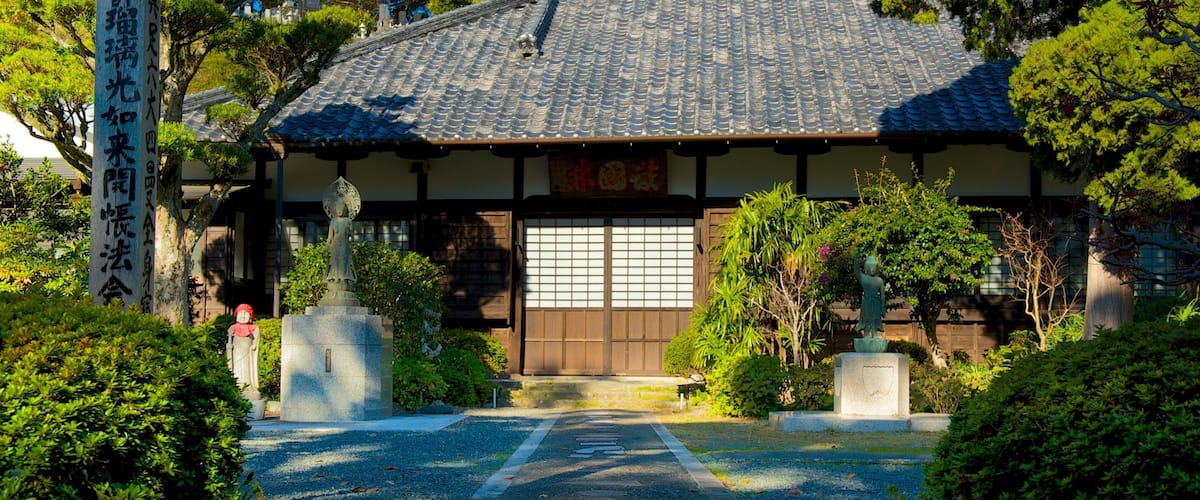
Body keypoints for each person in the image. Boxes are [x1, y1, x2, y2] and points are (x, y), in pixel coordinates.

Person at [226, 304, 261, 398]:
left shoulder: (254, 328)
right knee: (236, 367)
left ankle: (248, 385)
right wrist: (229, 346)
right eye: (240, 313)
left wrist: (254, 345)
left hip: (248, 353)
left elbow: (256, 340)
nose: (243, 316)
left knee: (247, 367)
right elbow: (229, 339)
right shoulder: (232, 328)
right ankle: (236, 384)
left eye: (245, 314)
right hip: (236, 352)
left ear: (250, 316)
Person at [855, 252, 886, 338]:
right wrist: (856, 259)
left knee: (875, 318)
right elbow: (857, 271)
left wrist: (883, 307)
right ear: (866, 267)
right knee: (866, 317)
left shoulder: (879, 280)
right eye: (870, 266)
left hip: (876, 302)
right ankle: (866, 334)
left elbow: (882, 295)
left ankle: (875, 333)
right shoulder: (864, 278)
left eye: (874, 267)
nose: (872, 269)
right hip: (867, 301)